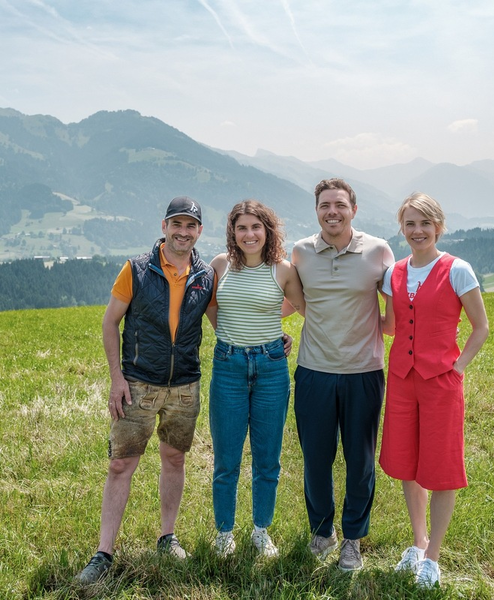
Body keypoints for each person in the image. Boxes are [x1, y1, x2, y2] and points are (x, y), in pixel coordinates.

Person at [75, 196, 215, 585]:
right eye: (176, 224)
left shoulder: (205, 276)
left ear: (199, 231)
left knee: (174, 460)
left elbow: (227, 323)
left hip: (185, 385)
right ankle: (104, 552)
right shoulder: (136, 269)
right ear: (164, 226)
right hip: (138, 383)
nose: (183, 232)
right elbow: (109, 323)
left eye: (190, 226)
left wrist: (272, 339)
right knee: (121, 464)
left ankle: (167, 537)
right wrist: (117, 378)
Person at [379, 192, 489, 588]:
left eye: (425, 223)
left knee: (441, 469)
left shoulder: (458, 269)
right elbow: (390, 325)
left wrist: (457, 369)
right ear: (402, 228)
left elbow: (481, 328)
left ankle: (434, 558)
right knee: (407, 463)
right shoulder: (396, 272)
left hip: (441, 381)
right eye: (410, 223)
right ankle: (418, 542)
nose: (417, 230)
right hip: (402, 381)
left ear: (438, 227)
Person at [290, 178, 394, 571]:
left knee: (360, 459)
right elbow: (291, 303)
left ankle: (352, 538)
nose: (332, 211)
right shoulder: (301, 253)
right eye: (324, 205)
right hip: (313, 372)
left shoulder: (378, 251)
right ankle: (322, 531)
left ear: (353, 208)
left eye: (339, 204)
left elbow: (394, 312)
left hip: (363, 373)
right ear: (316, 210)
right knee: (316, 457)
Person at [205, 200, 305, 558]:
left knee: (267, 457)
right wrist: (228, 337)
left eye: (256, 227)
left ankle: (261, 530)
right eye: (242, 227)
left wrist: (274, 331)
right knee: (226, 457)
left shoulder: (283, 270)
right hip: (228, 366)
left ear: (268, 230)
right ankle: (224, 533)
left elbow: (299, 305)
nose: (249, 234)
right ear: (233, 232)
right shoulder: (220, 265)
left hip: (271, 369)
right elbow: (211, 306)